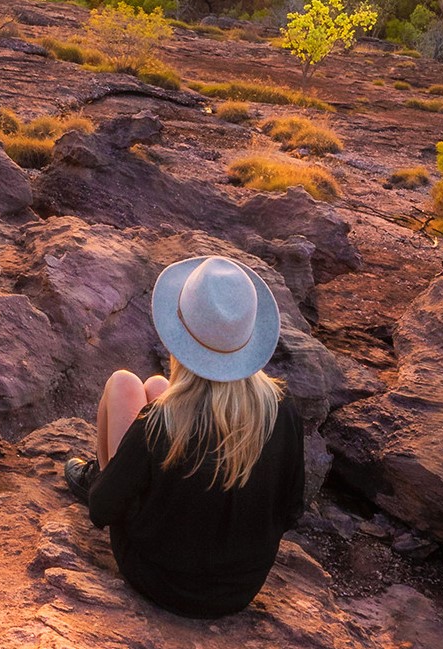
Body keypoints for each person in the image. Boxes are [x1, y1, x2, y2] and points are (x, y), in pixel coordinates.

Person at [61, 254, 306, 619]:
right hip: (240, 589)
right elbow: (290, 511)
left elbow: (101, 512)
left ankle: (101, 475)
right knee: (158, 386)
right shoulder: (281, 411)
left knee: (123, 384)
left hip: (160, 579)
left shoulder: (159, 424)